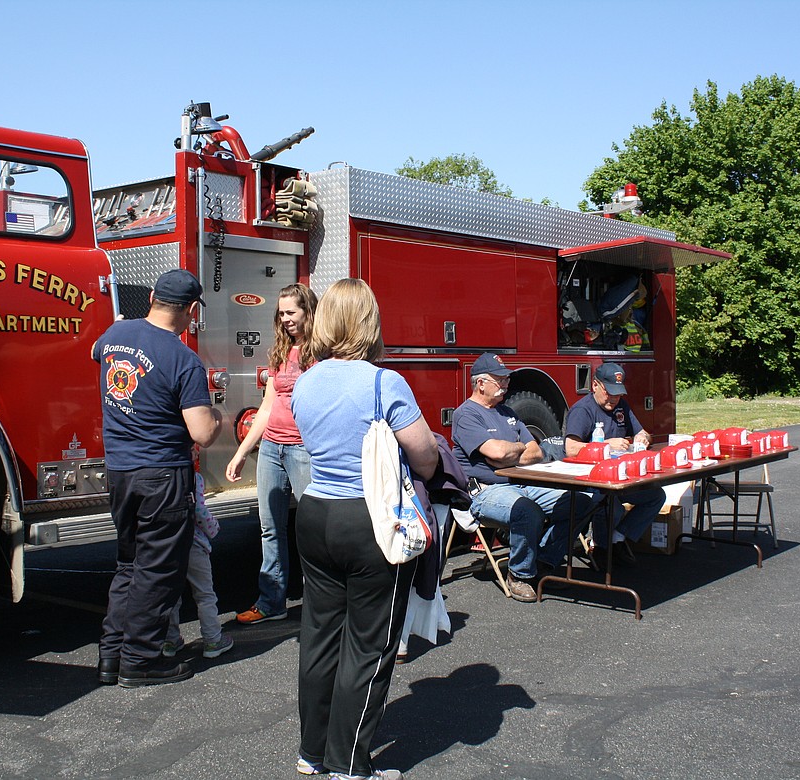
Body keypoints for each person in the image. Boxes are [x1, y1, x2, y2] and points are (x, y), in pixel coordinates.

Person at [290, 278, 438, 780]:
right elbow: (426, 456)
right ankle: (350, 766)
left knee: (320, 636)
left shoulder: (306, 380)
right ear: (369, 322)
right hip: (368, 519)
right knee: (369, 644)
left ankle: (313, 754)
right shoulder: (383, 382)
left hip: (314, 515)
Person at [93, 268, 222, 688]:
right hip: (162, 475)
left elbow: (96, 352)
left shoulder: (113, 337)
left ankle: (111, 655)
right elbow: (201, 431)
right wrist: (217, 417)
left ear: (151, 296)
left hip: (120, 472)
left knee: (128, 564)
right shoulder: (183, 358)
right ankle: (140, 660)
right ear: (189, 310)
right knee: (156, 571)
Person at [451, 352, 597, 603]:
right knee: (527, 511)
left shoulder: (508, 411)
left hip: (523, 483)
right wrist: (516, 447)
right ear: (480, 384)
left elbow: (536, 451)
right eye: (500, 380)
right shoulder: (466, 415)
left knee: (582, 500)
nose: (506, 384)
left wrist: (511, 451)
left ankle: (544, 562)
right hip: (486, 491)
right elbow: (496, 452)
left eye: (506, 379)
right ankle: (519, 574)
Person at [226, 283, 318, 624]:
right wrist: (241, 452)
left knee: (311, 530)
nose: (285, 319)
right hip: (271, 449)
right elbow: (267, 407)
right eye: (281, 313)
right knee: (270, 528)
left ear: (309, 312)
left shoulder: (321, 352)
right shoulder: (280, 351)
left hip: (303, 450)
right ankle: (271, 603)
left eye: (291, 312)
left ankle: (319, 604)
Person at [564, 363, 665, 564]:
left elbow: (642, 432)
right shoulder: (583, 410)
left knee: (655, 495)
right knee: (612, 505)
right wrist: (605, 445)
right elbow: (571, 448)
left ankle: (617, 537)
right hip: (591, 480)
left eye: (618, 394)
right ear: (595, 386)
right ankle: (601, 548)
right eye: (609, 392)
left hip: (619, 476)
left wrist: (643, 438)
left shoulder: (621, 406)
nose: (613, 398)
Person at [163, 472, 234, 660]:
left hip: (167, 544)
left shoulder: (160, 475)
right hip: (193, 543)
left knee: (171, 595)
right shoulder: (194, 478)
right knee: (204, 594)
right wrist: (214, 528)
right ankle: (212, 640)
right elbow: (199, 511)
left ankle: (170, 640)